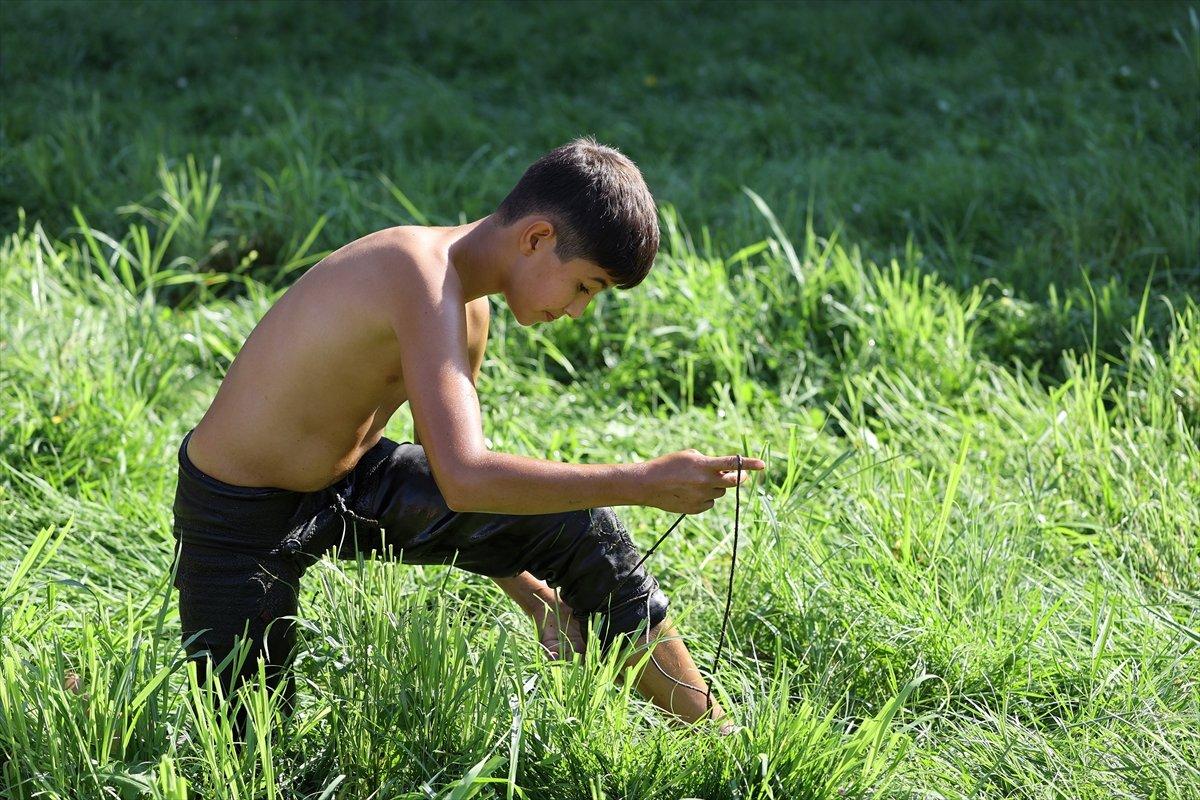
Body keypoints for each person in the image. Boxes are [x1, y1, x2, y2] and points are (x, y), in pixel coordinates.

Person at [171, 136, 766, 737]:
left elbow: (469, 486)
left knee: (584, 530)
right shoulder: (417, 274)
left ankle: (716, 738)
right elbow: (463, 477)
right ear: (537, 239)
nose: (580, 310)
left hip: (353, 483)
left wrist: (537, 599)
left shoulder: (469, 311)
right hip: (234, 519)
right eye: (585, 286)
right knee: (246, 750)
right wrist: (641, 482)